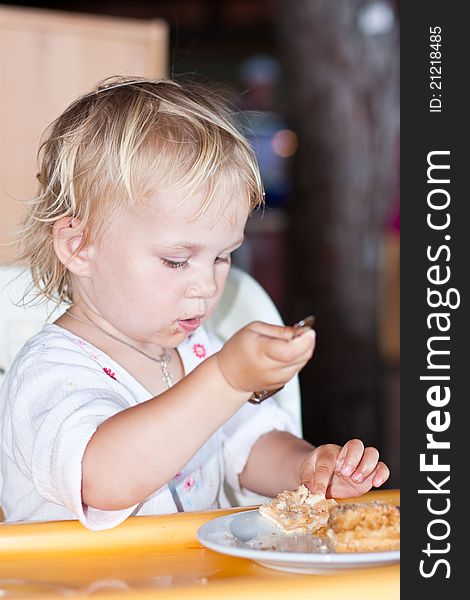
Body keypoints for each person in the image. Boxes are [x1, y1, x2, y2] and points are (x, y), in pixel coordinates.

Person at [0, 77, 389, 530]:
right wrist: (226, 379)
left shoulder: (196, 349)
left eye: (222, 256)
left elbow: (246, 444)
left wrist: (308, 469)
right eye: (177, 260)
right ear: (79, 246)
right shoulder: (49, 372)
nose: (207, 285)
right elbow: (105, 477)